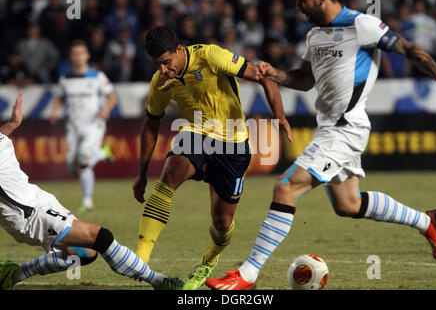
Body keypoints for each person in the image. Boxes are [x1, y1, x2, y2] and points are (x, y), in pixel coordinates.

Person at [206, 0, 436, 290]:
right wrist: (276, 74)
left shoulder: (362, 24)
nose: (297, 6)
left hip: (345, 128)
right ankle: (427, 222)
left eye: (301, 0)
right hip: (329, 128)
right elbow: (305, 79)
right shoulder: (314, 36)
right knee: (348, 204)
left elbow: (409, 49)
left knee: (285, 188)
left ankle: (248, 274)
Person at [132, 26, 291, 290]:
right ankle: (139, 260)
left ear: (179, 51)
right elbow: (151, 124)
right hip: (194, 132)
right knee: (168, 178)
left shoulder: (211, 56)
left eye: (166, 62)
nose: (163, 70)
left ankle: (209, 260)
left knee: (222, 222)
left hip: (233, 142)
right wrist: (141, 173)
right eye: (157, 65)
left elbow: (264, 76)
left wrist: (280, 116)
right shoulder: (160, 81)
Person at [0, 91, 184, 290]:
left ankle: (14, 274)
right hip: (27, 214)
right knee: (101, 237)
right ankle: (158, 280)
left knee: (85, 253)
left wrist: (12, 125)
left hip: (38, 198)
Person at [50, 40, 117, 214]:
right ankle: (103, 153)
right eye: (75, 53)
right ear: (71, 57)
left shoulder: (97, 76)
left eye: (81, 53)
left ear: (87, 56)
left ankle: (87, 201)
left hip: (93, 124)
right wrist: (55, 111)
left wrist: (106, 110)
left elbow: (112, 97)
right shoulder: (65, 79)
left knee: (84, 158)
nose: (78, 57)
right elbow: (58, 97)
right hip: (73, 126)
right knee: (73, 166)